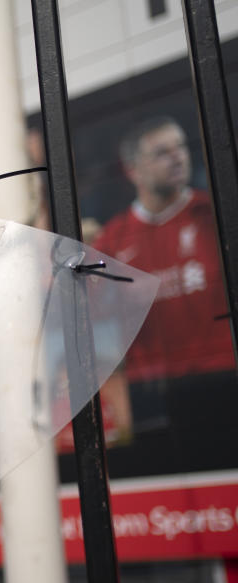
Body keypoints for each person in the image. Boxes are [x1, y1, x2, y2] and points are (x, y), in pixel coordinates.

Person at [93, 116, 235, 383]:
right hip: (154, 389)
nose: (178, 157)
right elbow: (88, 310)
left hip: (224, 371)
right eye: (162, 153)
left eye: (180, 147)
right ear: (133, 170)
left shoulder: (215, 215)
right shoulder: (113, 239)